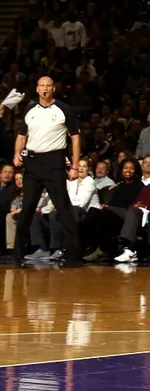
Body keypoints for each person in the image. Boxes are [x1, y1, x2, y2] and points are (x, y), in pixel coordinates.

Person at [14, 77, 82, 266]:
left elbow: (75, 138)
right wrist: (16, 153)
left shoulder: (63, 109)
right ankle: (18, 255)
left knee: (63, 207)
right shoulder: (30, 109)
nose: (45, 88)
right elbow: (21, 135)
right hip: (33, 163)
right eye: (42, 85)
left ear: (53, 88)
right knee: (27, 208)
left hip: (54, 161)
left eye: (48, 85)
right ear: (37, 89)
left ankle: (73, 255)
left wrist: (75, 165)